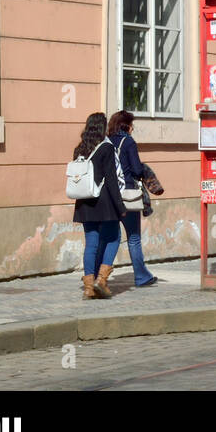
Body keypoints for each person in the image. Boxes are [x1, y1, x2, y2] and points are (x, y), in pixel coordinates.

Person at [72, 112, 125, 298]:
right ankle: (101, 280)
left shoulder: (79, 149)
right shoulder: (106, 148)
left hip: (85, 202)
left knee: (91, 243)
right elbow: (111, 180)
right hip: (104, 203)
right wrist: (120, 206)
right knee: (114, 237)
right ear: (102, 128)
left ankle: (88, 288)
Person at [108, 110, 157, 287]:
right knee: (134, 237)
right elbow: (136, 170)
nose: (133, 128)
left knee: (110, 237)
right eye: (132, 125)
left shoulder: (107, 141)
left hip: (109, 195)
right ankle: (141, 276)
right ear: (126, 126)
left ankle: (100, 275)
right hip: (127, 195)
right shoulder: (128, 142)